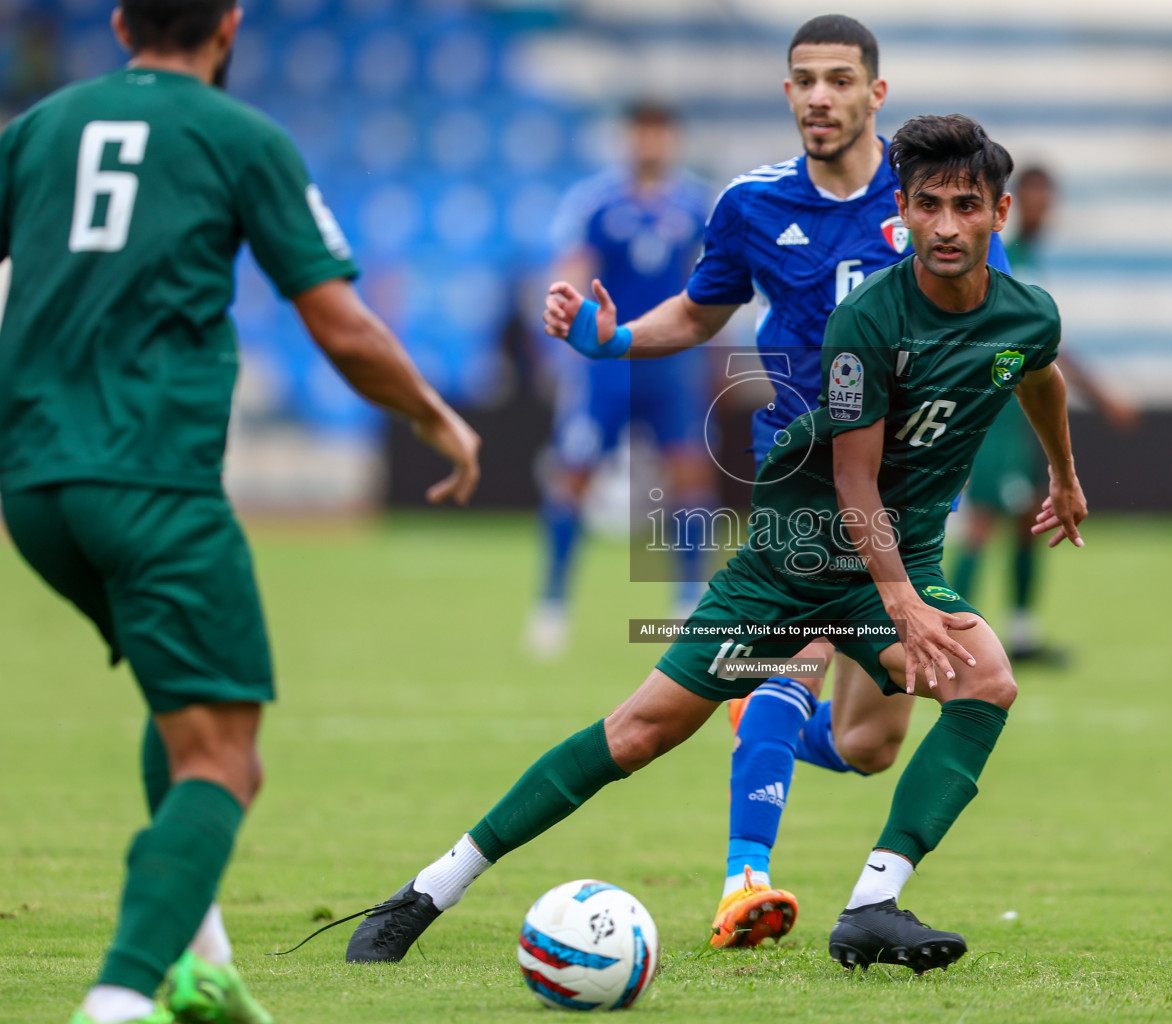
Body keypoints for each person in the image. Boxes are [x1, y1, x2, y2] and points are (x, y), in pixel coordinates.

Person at [343, 112, 1087, 974]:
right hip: (794, 557)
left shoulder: (1029, 314)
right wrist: (902, 605)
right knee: (640, 733)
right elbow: (852, 483)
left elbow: (1038, 373)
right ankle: (430, 888)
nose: (948, 226)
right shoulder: (867, 323)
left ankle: (872, 905)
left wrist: (1064, 476)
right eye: (929, 206)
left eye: (966, 206)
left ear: (1000, 213)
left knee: (962, 698)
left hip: (896, 563)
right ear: (903, 210)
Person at [0, 3, 481, 1022]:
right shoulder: (240, 136)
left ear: (123, 21)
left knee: (180, 700)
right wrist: (437, 416)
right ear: (230, 25)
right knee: (226, 757)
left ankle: (203, 960)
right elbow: (342, 328)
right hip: (152, 482)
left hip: (34, 484)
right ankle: (120, 999)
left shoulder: (40, 127)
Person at [523, 14, 1017, 949]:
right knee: (798, 654)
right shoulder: (750, 202)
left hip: (907, 504)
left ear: (877, 92)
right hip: (803, 480)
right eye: (805, 79)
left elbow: (988, 325)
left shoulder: (936, 200)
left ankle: (763, 717)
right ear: (787, 91)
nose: (821, 95)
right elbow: (702, 310)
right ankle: (745, 879)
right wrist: (617, 338)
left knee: (872, 745)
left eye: (841, 79)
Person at [528, 101, 718, 654]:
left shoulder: (697, 204)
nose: (651, 143)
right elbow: (569, 269)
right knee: (574, 477)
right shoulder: (595, 203)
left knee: (689, 477)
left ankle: (688, 602)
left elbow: (715, 279)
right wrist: (565, 331)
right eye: (642, 132)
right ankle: (553, 603)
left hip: (672, 365)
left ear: (673, 139)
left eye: (660, 132)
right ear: (628, 138)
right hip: (606, 368)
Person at [951, 164, 1138, 662]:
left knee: (1030, 516)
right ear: (1013, 203)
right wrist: (1099, 394)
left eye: (1047, 197)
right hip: (995, 412)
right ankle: (950, 633)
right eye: (1033, 196)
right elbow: (1041, 343)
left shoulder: (1031, 259)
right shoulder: (1008, 259)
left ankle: (1022, 633)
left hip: (1018, 416)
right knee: (984, 521)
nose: (1042, 206)